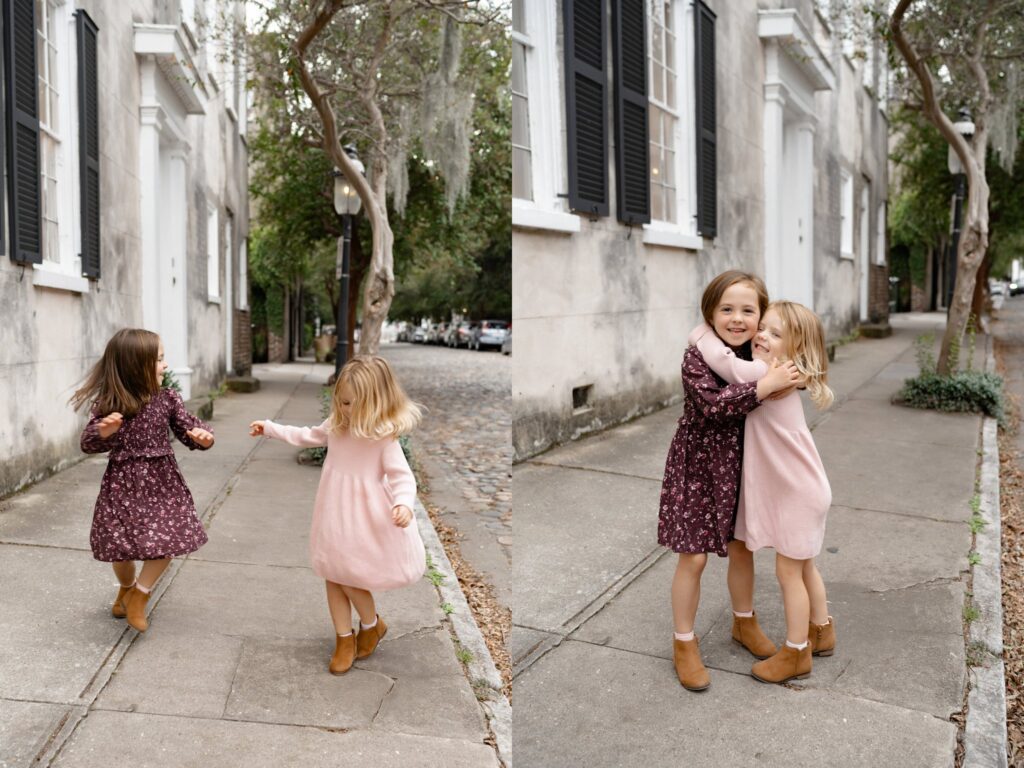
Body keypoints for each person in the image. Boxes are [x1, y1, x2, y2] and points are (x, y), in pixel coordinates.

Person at [658, 271, 801, 691]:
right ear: (710, 312)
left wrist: (786, 377)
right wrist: (763, 387)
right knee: (695, 556)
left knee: (743, 548)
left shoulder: (761, 354)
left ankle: (744, 623)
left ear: (761, 315)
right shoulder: (698, 356)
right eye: (726, 309)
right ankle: (684, 642)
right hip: (700, 464)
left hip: (745, 461)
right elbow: (715, 408)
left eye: (748, 310)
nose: (737, 319)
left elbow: (801, 368)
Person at [249, 355, 425, 675]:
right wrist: (271, 429)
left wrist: (403, 503)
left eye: (355, 405)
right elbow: (307, 436)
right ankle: (344, 638)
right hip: (333, 512)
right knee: (333, 571)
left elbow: (402, 477)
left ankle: (371, 625)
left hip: (365, 518)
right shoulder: (336, 426)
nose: (347, 411)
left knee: (351, 576)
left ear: (377, 403)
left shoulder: (383, 438)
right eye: (343, 403)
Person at [690, 300, 836, 684]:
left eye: (776, 334)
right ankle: (822, 631)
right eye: (764, 328)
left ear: (796, 349)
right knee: (805, 567)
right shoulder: (790, 372)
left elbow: (729, 367)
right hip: (806, 487)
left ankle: (796, 653)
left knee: (789, 572)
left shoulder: (771, 373)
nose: (762, 337)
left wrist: (702, 334)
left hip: (798, 492)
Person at [71, 328, 214, 633]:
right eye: (159, 359)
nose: (165, 365)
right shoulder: (111, 403)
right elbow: (88, 441)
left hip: (162, 483)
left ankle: (140, 594)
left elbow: (189, 428)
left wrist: (202, 438)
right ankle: (125, 587)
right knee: (120, 547)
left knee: (168, 539)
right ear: (135, 365)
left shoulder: (168, 399)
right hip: (122, 484)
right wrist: (104, 432)